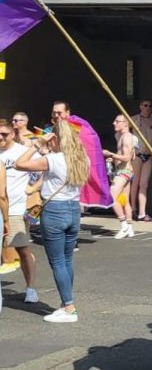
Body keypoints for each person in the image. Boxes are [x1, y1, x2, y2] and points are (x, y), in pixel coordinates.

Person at [15, 120, 89, 322]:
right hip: (74, 208)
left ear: (55, 138)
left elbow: (20, 164)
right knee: (66, 259)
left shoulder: (53, 159)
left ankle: (69, 307)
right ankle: (66, 303)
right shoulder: (83, 158)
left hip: (55, 209)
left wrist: (37, 145)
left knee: (57, 261)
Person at [0, 119, 37, 302]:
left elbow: (43, 173)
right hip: (1, 208)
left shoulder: (23, 152)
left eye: (4, 134)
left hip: (16, 208)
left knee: (22, 249)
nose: (1, 138)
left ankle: (30, 288)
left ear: (13, 134)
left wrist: (33, 190)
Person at [102, 115, 137, 239]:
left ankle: (124, 225)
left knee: (111, 196)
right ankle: (129, 226)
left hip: (124, 171)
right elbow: (131, 156)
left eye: (117, 121)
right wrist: (114, 158)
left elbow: (127, 157)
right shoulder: (124, 136)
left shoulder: (126, 137)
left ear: (125, 123)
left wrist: (110, 154)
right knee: (125, 200)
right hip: (126, 171)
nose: (114, 123)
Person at [131, 98, 152, 222]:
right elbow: (122, 132)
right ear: (140, 106)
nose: (147, 108)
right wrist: (127, 149)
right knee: (135, 182)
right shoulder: (134, 119)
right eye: (145, 105)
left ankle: (142, 212)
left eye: (150, 106)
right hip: (137, 154)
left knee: (144, 184)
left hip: (148, 155)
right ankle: (133, 208)